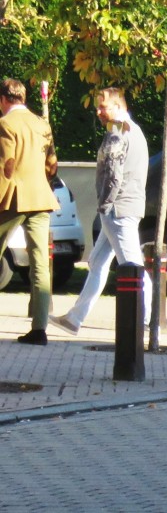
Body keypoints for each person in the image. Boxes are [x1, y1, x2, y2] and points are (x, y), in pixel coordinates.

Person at [50, 88, 151, 335]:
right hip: (125, 206)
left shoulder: (117, 133)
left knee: (132, 266)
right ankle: (75, 318)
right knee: (96, 262)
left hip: (118, 209)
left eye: (102, 107)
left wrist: (105, 204)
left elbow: (113, 175)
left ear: (117, 106)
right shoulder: (135, 131)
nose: (98, 112)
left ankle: (147, 319)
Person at [0, 77, 59, 345]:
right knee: (39, 264)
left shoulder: (5, 124)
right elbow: (52, 163)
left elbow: (6, 167)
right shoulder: (42, 124)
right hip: (40, 197)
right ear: (23, 98)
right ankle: (40, 329)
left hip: (13, 199)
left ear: (3, 100)